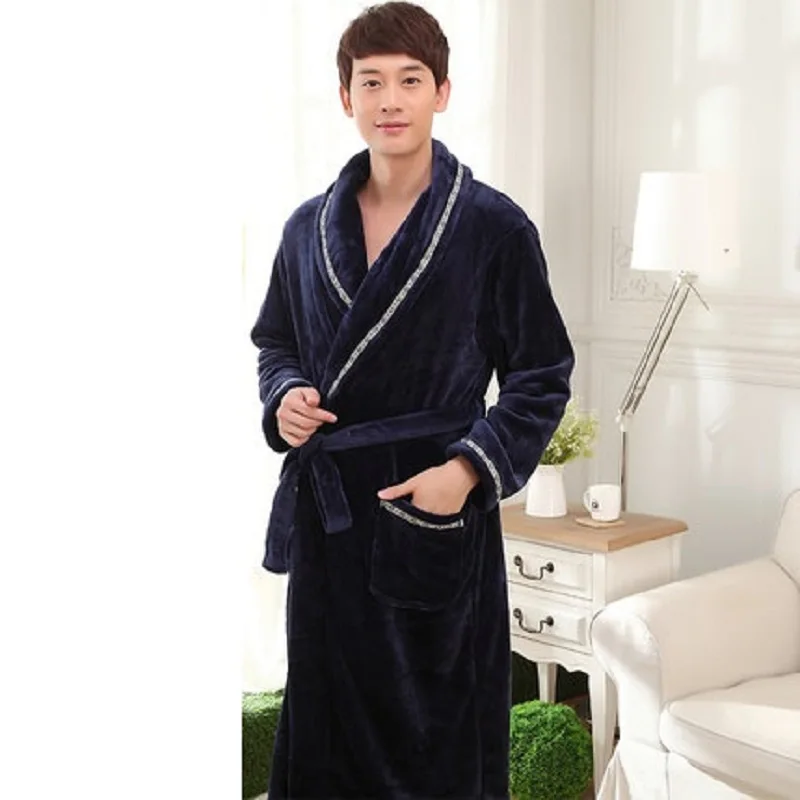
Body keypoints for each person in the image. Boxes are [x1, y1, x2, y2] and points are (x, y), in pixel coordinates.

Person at [250, 2, 574, 797]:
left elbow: (542, 372)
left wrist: (465, 472)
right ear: (346, 98)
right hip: (330, 530)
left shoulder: (493, 228)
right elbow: (276, 342)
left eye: (410, 80)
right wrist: (285, 396)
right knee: (326, 737)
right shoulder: (304, 231)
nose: (390, 100)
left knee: (435, 739)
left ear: (442, 92)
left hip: (430, 514)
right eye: (371, 82)